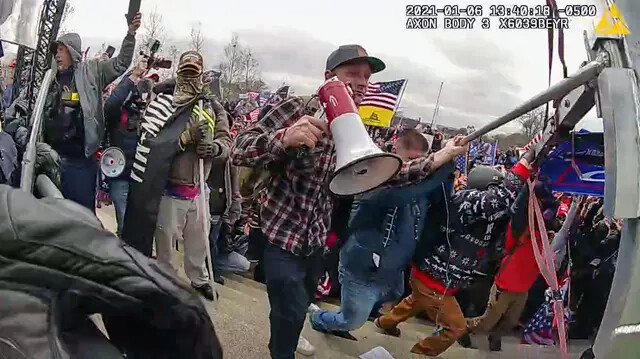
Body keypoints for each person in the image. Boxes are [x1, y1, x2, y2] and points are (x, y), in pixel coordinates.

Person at [231, 44, 467, 359]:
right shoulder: (295, 108)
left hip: (315, 244)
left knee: (296, 307)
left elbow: (387, 173)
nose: (361, 82)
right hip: (280, 236)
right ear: (329, 76)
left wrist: (440, 156)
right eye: (352, 73)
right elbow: (239, 148)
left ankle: (284, 340)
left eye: (366, 77)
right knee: (287, 305)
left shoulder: (359, 128)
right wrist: (282, 139)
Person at [375, 152, 534, 357]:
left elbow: (510, 206)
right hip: (433, 280)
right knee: (454, 328)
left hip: (436, 278)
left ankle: (384, 322)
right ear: (483, 188)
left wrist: (531, 177)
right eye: (495, 187)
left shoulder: (487, 214)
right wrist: (523, 164)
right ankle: (419, 353)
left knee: (416, 300)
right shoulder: (466, 202)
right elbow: (498, 200)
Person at [308, 129, 455, 336]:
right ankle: (318, 318)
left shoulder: (421, 182)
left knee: (394, 293)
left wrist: (447, 170)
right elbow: (398, 197)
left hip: (391, 269)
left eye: (423, 161)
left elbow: (442, 202)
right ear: (395, 151)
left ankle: (359, 309)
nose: (419, 168)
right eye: (413, 160)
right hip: (362, 268)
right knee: (351, 321)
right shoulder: (372, 175)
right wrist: (438, 171)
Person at [22, 14, 139, 212]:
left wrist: (130, 35)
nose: (57, 54)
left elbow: (120, 63)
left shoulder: (92, 71)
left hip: (81, 162)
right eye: (56, 50)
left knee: (81, 215)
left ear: (72, 51)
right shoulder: (50, 79)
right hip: (52, 160)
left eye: (61, 49)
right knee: (52, 212)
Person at [146, 51, 230, 301]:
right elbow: (153, 142)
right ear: (179, 71)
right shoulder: (163, 102)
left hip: (199, 189)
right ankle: (167, 282)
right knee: (166, 244)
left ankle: (199, 279)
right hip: (170, 190)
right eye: (186, 71)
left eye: (195, 71)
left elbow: (226, 140)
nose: (190, 76)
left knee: (199, 243)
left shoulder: (212, 106)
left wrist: (215, 148)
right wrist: (183, 139)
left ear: (202, 74)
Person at [458, 178, 567, 351]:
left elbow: (561, 220)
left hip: (523, 288)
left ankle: (496, 337)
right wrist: (528, 184)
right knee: (486, 322)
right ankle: (461, 328)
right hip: (505, 286)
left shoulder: (545, 232)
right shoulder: (519, 228)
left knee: (511, 321)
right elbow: (517, 208)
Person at [102, 58, 152, 235]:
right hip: (121, 176)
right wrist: (133, 76)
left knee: (141, 226)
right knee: (124, 223)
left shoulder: (152, 116)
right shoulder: (117, 115)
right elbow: (112, 103)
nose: (142, 100)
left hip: (142, 179)